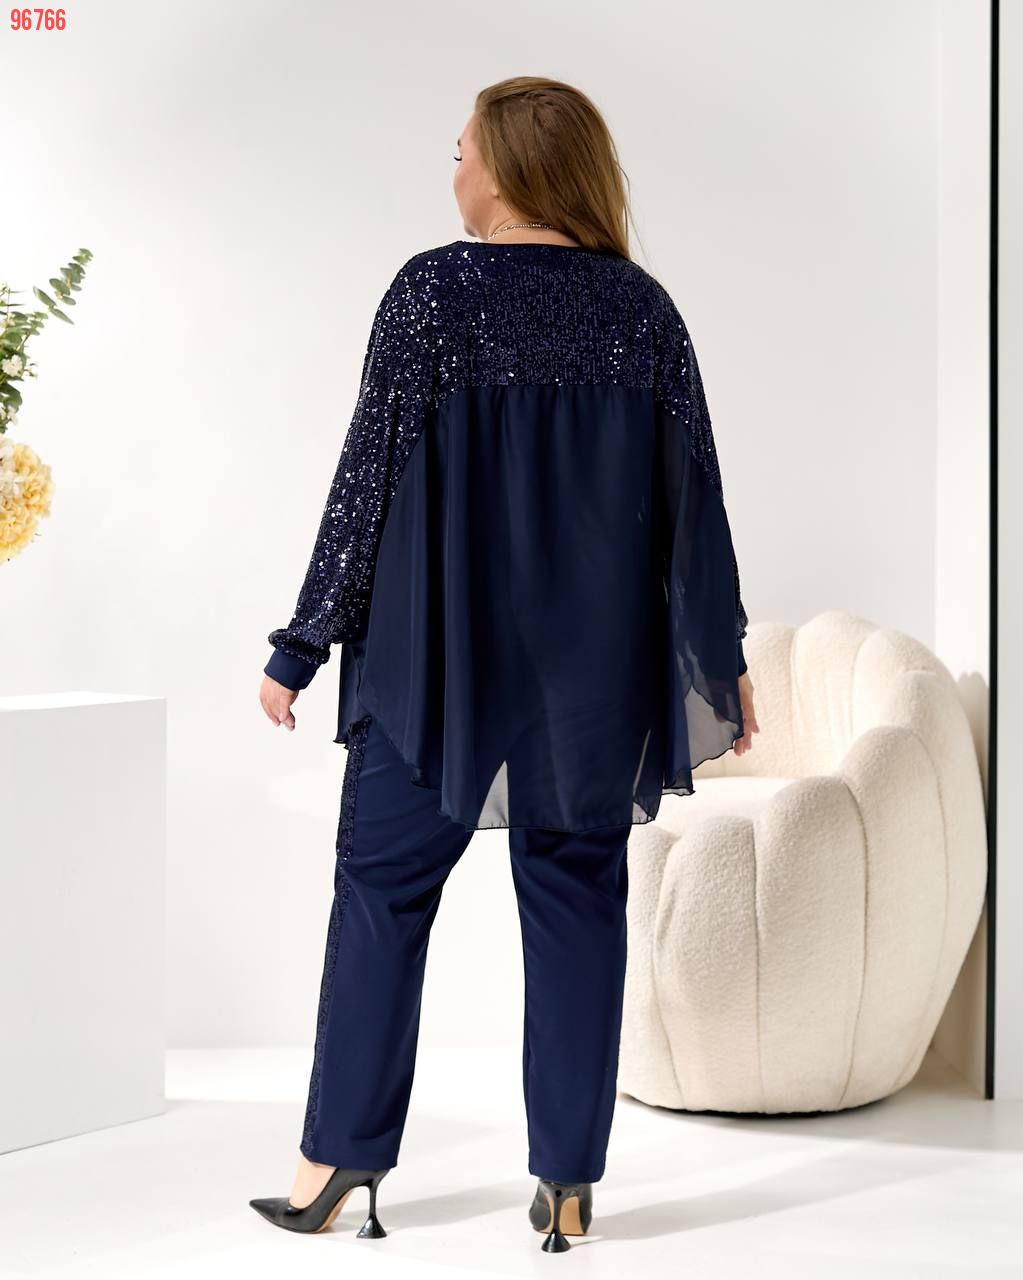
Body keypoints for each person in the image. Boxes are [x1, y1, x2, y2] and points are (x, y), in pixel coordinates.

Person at [249, 75, 760, 1252]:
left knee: (382, 891)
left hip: (433, 666)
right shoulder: (641, 310)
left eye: (463, 151)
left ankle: (338, 1160)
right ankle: (568, 1182)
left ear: (511, 167)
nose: (456, 172)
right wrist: (719, 655)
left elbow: (367, 479)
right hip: (588, 673)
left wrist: (304, 640)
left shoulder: (434, 293)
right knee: (577, 900)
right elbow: (695, 498)